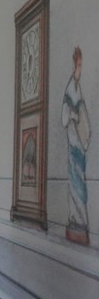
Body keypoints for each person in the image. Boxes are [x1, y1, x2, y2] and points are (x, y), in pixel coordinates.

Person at [62, 46, 91, 245]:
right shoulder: (70, 90)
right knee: (76, 186)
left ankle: (80, 221)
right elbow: (66, 116)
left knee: (80, 186)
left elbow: (82, 118)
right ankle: (76, 220)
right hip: (74, 147)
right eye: (78, 65)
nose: (80, 69)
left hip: (78, 148)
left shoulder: (76, 90)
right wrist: (73, 115)